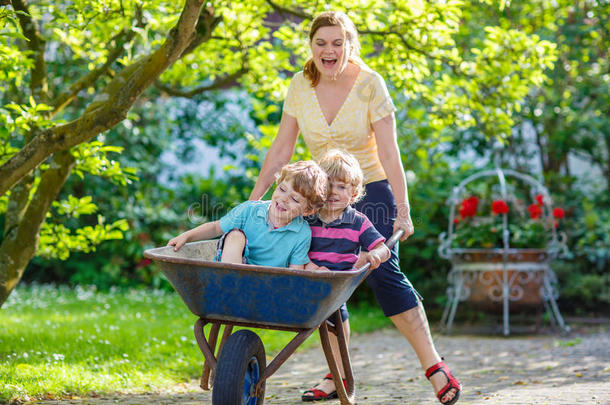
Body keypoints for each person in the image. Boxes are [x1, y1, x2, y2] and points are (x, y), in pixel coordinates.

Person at [249, 11, 461, 405]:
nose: (328, 50)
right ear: (311, 47)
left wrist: (402, 208)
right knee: (323, 278)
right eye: (320, 43)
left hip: (371, 192)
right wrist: (255, 198)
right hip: (318, 194)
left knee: (383, 273)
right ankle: (338, 373)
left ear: (349, 44)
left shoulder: (370, 84)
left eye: (336, 42)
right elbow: (281, 149)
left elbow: (389, 151)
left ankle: (434, 366)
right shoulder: (299, 85)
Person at [302, 149, 390, 401]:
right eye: (328, 185)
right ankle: (335, 375)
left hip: (335, 287)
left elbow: (382, 247)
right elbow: (292, 245)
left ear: (353, 194)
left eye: (341, 187)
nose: (333, 192)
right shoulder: (308, 218)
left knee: (335, 319)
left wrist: (374, 255)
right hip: (304, 280)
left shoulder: (357, 221)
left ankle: (337, 375)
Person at [168, 160, 327, 269]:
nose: (283, 199)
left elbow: (295, 272)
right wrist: (187, 236)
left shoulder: (302, 233)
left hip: (270, 283)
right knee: (236, 235)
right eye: (282, 190)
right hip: (236, 269)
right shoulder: (250, 210)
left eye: (294, 199)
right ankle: (230, 284)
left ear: (307, 210)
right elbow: (216, 227)